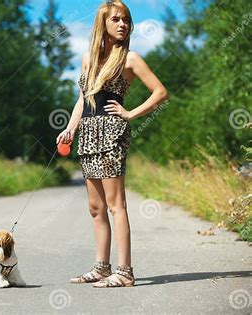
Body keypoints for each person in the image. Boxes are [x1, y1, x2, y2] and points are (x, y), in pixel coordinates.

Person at [56, 0, 168, 288]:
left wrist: (130, 113)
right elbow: (83, 99)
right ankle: (101, 267)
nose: (123, 24)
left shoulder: (130, 59)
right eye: (116, 19)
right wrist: (70, 128)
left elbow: (160, 92)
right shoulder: (88, 59)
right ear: (102, 24)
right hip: (87, 135)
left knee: (117, 205)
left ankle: (125, 271)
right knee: (96, 208)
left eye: (126, 20)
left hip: (111, 134)